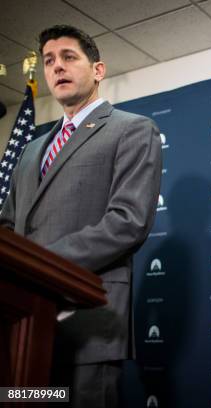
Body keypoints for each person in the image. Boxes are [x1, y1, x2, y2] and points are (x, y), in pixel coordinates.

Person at [0, 25, 162, 407]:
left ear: (98, 70)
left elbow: (128, 221)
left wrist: (38, 268)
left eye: (69, 57)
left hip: (88, 327)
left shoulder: (133, 130)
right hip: (21, 328)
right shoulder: (30, 151)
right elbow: (7, 226)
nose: (57, 67)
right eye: (49, 61)